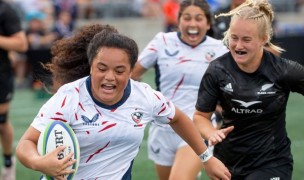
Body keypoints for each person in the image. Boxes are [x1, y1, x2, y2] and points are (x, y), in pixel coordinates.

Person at [16, 24, 231, 179]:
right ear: (91, 66)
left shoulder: (144, 96)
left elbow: (178, 118)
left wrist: (206, 158)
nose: (110, 77)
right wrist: (39, 162)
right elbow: (26, 143)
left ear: (131, 71)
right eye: (102, 69)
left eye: (119, 71)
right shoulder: (68, 97)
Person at [193, 0, 304, 179]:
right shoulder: (217, 70)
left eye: (246, 39)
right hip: (228, 164)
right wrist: (211, 133)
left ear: (264, 39)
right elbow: (200, 117)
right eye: (234, 38)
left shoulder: (283, 70)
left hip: (272, 163)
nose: (238, 46)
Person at [131, 0, 228, 179]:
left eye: (199, 19)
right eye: (187, 18)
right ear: (178, 21)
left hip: (198, 127)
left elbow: (234, 87)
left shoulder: (220, 49)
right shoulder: (162, 41)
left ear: (207, 24)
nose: (192, 24)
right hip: (163, 127)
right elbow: (131, 74)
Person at [0, 1, 28, 180]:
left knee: (1, 122)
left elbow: (22, 44)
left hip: (0, 74)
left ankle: (9, 161)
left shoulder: (5, 10)